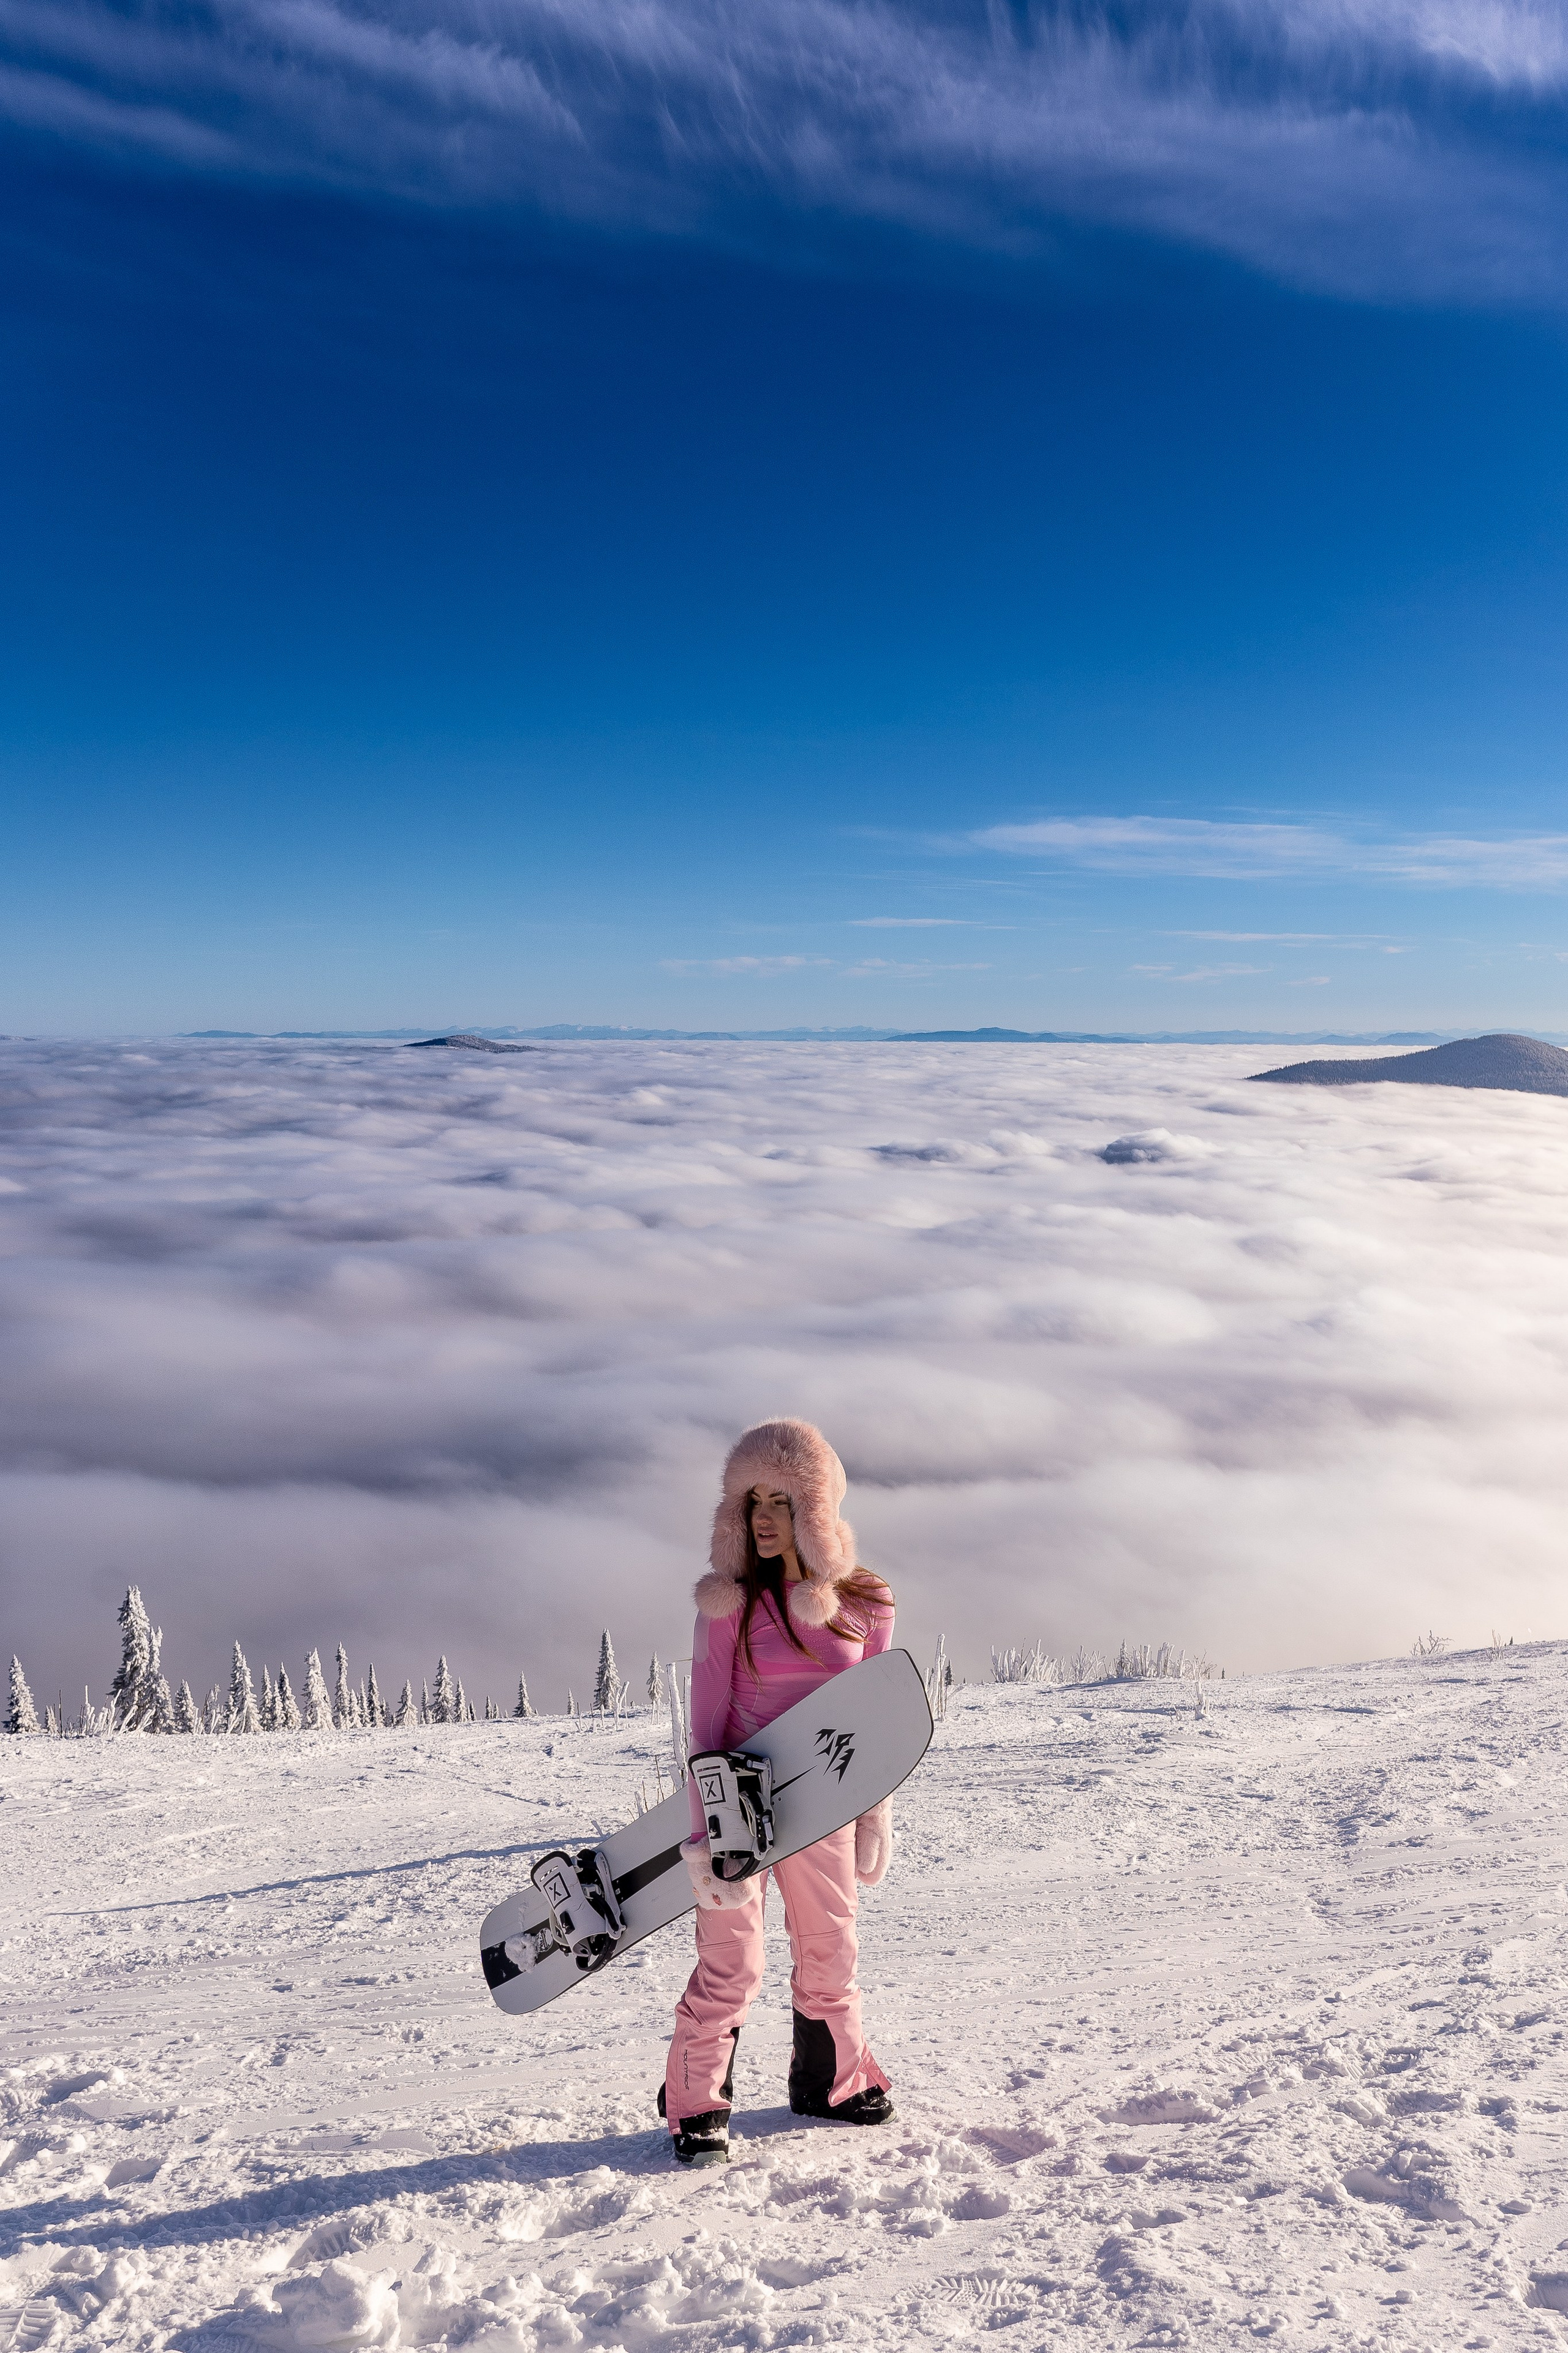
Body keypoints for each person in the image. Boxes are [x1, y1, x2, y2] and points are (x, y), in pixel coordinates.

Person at [662, 1418, 897, 2167]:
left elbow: (875, 1719)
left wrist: (871, 1815)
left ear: (816, 1508)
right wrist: (703, 1837)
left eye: (781, 1500)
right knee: (734, 1960)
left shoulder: (866, 1601)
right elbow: (705, 1723)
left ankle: (832, 2080)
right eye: (750, 1501)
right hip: (737, 1804)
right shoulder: (729, 1605)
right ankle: (696, 2102)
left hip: (821, 1802)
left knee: (830, 1948)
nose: (763, 1517)